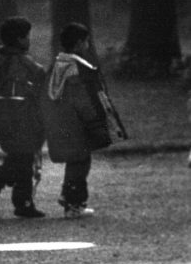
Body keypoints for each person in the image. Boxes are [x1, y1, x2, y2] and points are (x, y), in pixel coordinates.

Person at [42, 22, 127, 219]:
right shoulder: (76, 67)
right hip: (77, 123)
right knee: (80, 162)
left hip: (63, 121)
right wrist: (94, 121)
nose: (88, 44)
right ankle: (73, 202)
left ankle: (71, 198)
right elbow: (81, 98)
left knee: (77, 160)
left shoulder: (59, 64)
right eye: (86, 41)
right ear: (80, 43)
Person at [0, 16, 46, 219]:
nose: (29, 41)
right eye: (27, 37)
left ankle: (23, 202)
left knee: (20, 158)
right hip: (25, 120)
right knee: (22, 159)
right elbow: (40, 95)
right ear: (20, 39)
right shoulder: (29, 67)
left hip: (1, 120)